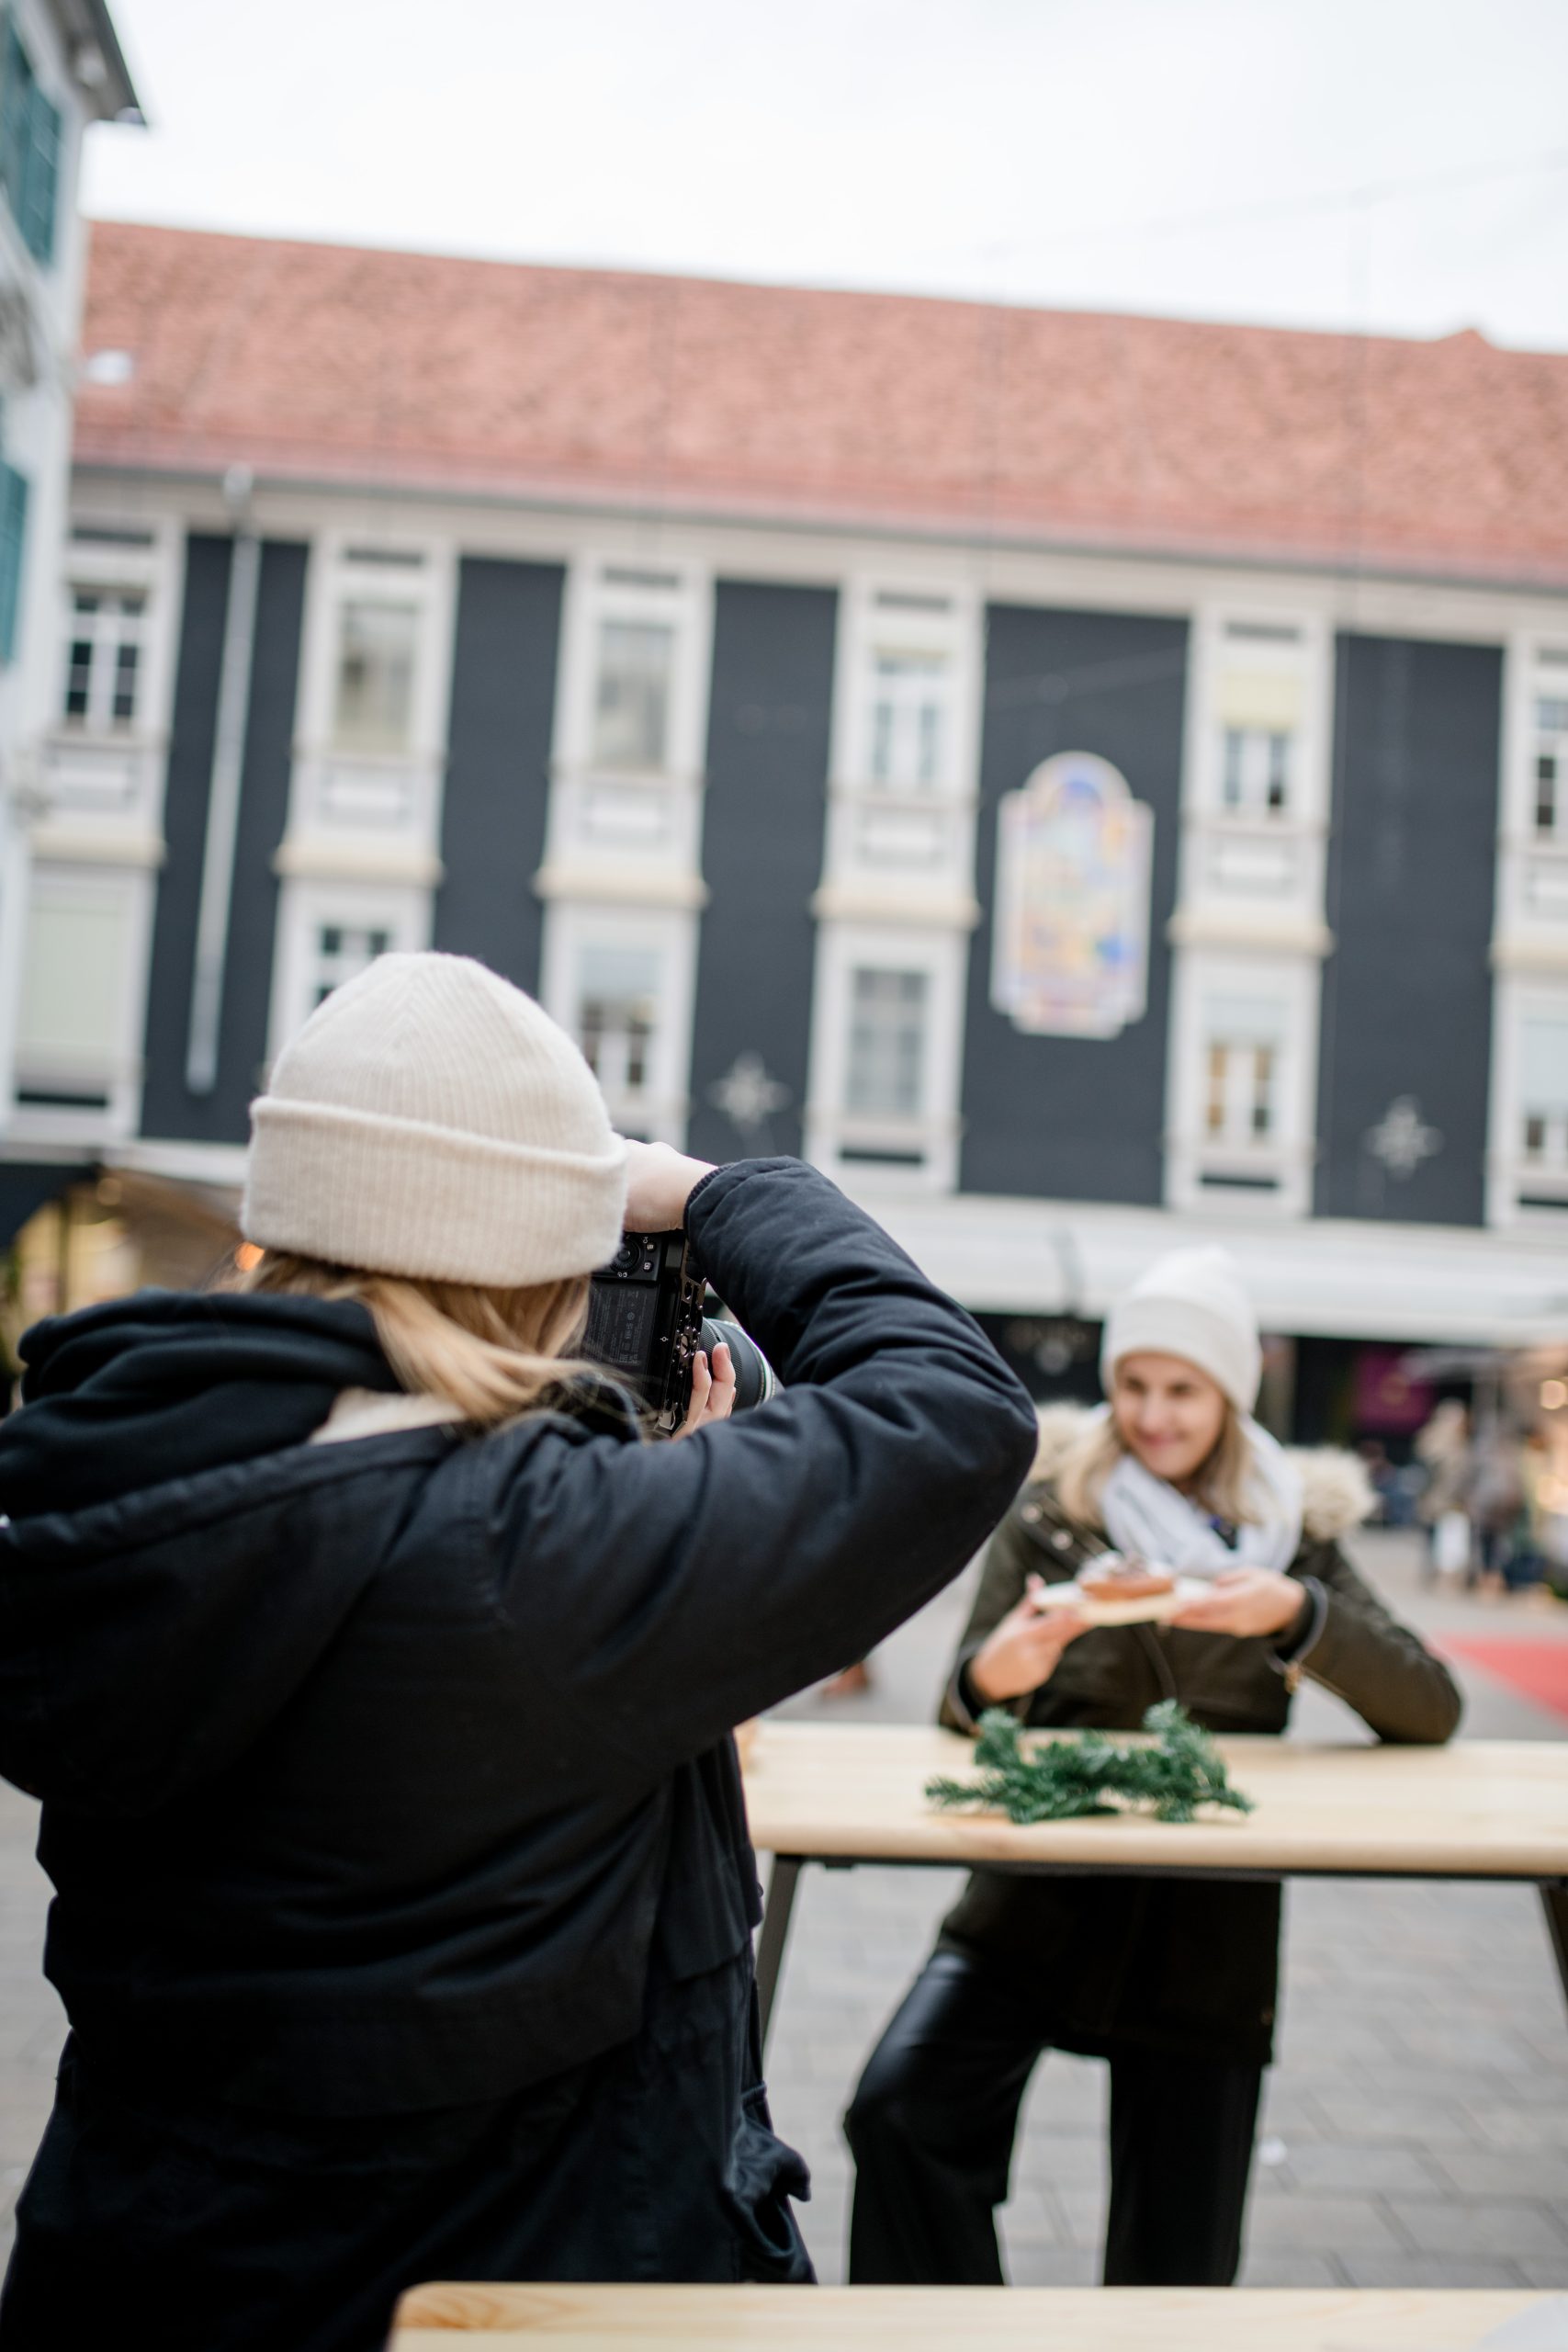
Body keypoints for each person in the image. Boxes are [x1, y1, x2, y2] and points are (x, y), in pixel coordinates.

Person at [0, 952, 1038, 2352]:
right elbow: (949, 1411)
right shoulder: (547, 1554)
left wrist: (625, 1487)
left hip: (143, 2278)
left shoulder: (96, 1484)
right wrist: (717, 1195)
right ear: (542, 1251)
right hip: (506, 2292)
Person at [844, 1245, 1461, 2291]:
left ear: (1228, 1393)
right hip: (1034, 1899)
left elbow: (1431, 1708)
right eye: (1133, 1383)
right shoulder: (1054, 1510)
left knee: (1177, 2252)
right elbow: (963, 1697)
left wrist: (1297, 1614)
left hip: (1205, 1920)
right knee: (900, 2109)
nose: (1153, 1414)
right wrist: (1003, 1669)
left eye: (1183, 1390)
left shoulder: (1296, 1532)